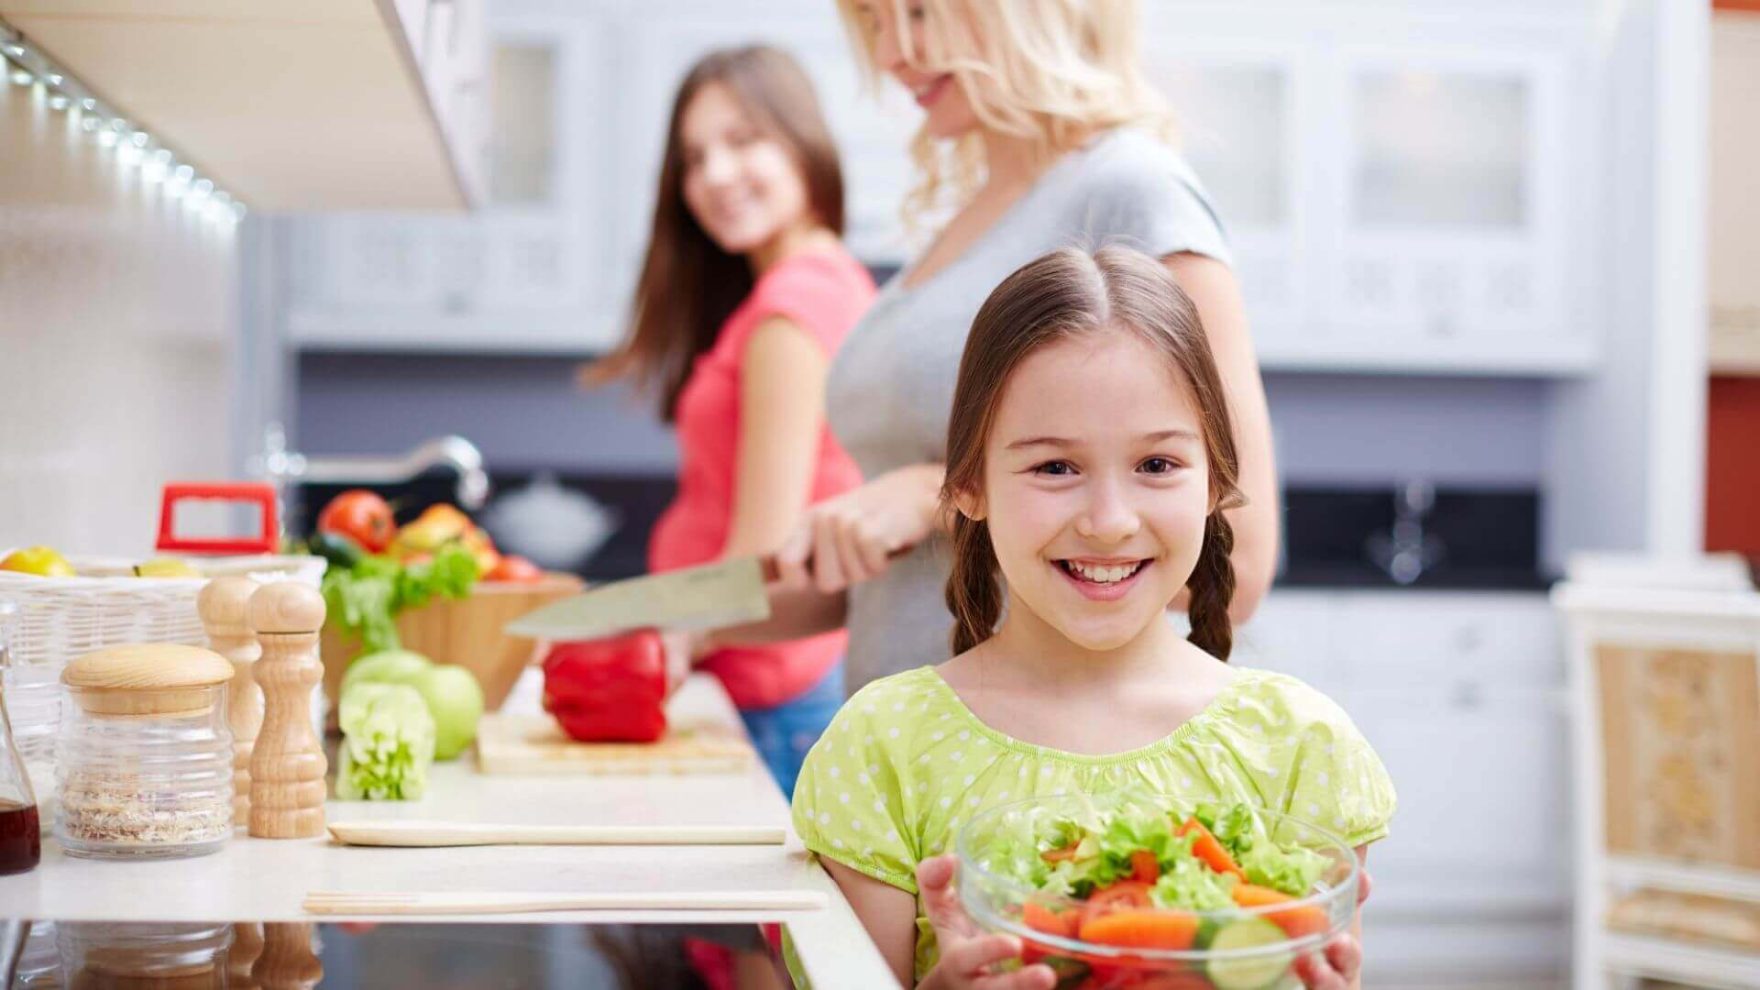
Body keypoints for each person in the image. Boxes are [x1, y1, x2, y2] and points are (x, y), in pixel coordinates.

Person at [790, 247, 1395, 989]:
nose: (1109, 522)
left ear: (1215, 482)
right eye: (1055, 467)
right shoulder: (881, 749)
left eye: (1157, 465)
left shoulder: (1301, 746)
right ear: (969, 485)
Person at [716, 0, 1280, 698]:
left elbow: (1236, 565)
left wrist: (934, 494)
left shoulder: (1134, 191)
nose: (891, 54)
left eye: (919, 12)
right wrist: (685, 624)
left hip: (1031, 749)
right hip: (905, 740)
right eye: (875, 22)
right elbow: (902, 578)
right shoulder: (974, 214)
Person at [586, 45, 876, 798]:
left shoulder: (791, 309)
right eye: (694, 157)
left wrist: (653, 635)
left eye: (743, 141)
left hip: (769, 698)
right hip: (771, 686)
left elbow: (761, 553)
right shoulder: (817, 285)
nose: (714, 175)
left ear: (803, 141)